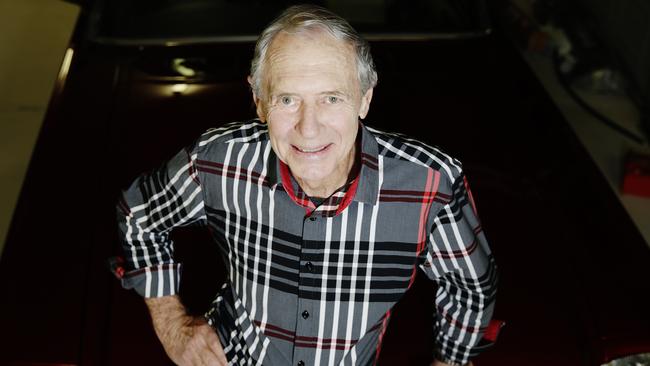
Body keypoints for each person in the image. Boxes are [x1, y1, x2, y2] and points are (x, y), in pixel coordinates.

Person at [113, 4, 498, 366]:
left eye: (331, 98)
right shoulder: (218, 160)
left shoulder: (431, 184)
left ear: (364, 99)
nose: (308, 129)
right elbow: (139, 214)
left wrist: (449, 360)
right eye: (287, 100)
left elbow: (470, 286)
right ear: (259, 101)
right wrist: (171, 324)